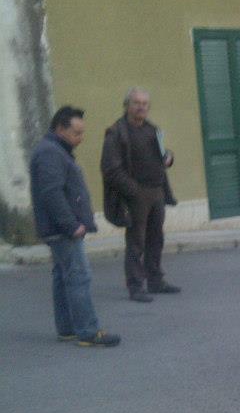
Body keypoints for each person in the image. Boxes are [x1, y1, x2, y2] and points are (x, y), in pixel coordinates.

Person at [29, 106, 120, 348]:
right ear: (60, 128)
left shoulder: (55, 150)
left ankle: (67, 328)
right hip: (63, 230)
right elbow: (51, 193)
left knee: (63, 276)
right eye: (76, 132)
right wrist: (71, 225)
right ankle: (88, 331)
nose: (81, 138)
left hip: (59, 228)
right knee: (79, 276)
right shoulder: (50, 153)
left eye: (82, 132)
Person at [101, 87, 179, 303]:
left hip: (157, 192)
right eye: (137, 103)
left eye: (145, 103)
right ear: (127, 105)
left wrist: (169, 158)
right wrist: (134, 191)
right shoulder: (117, 132)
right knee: (136, 242)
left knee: (156, 238)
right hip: (136, 195)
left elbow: (163, 156)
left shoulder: (152, 130)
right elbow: (110, 169)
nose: (141, 107)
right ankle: (135, 286)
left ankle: (155, 280)